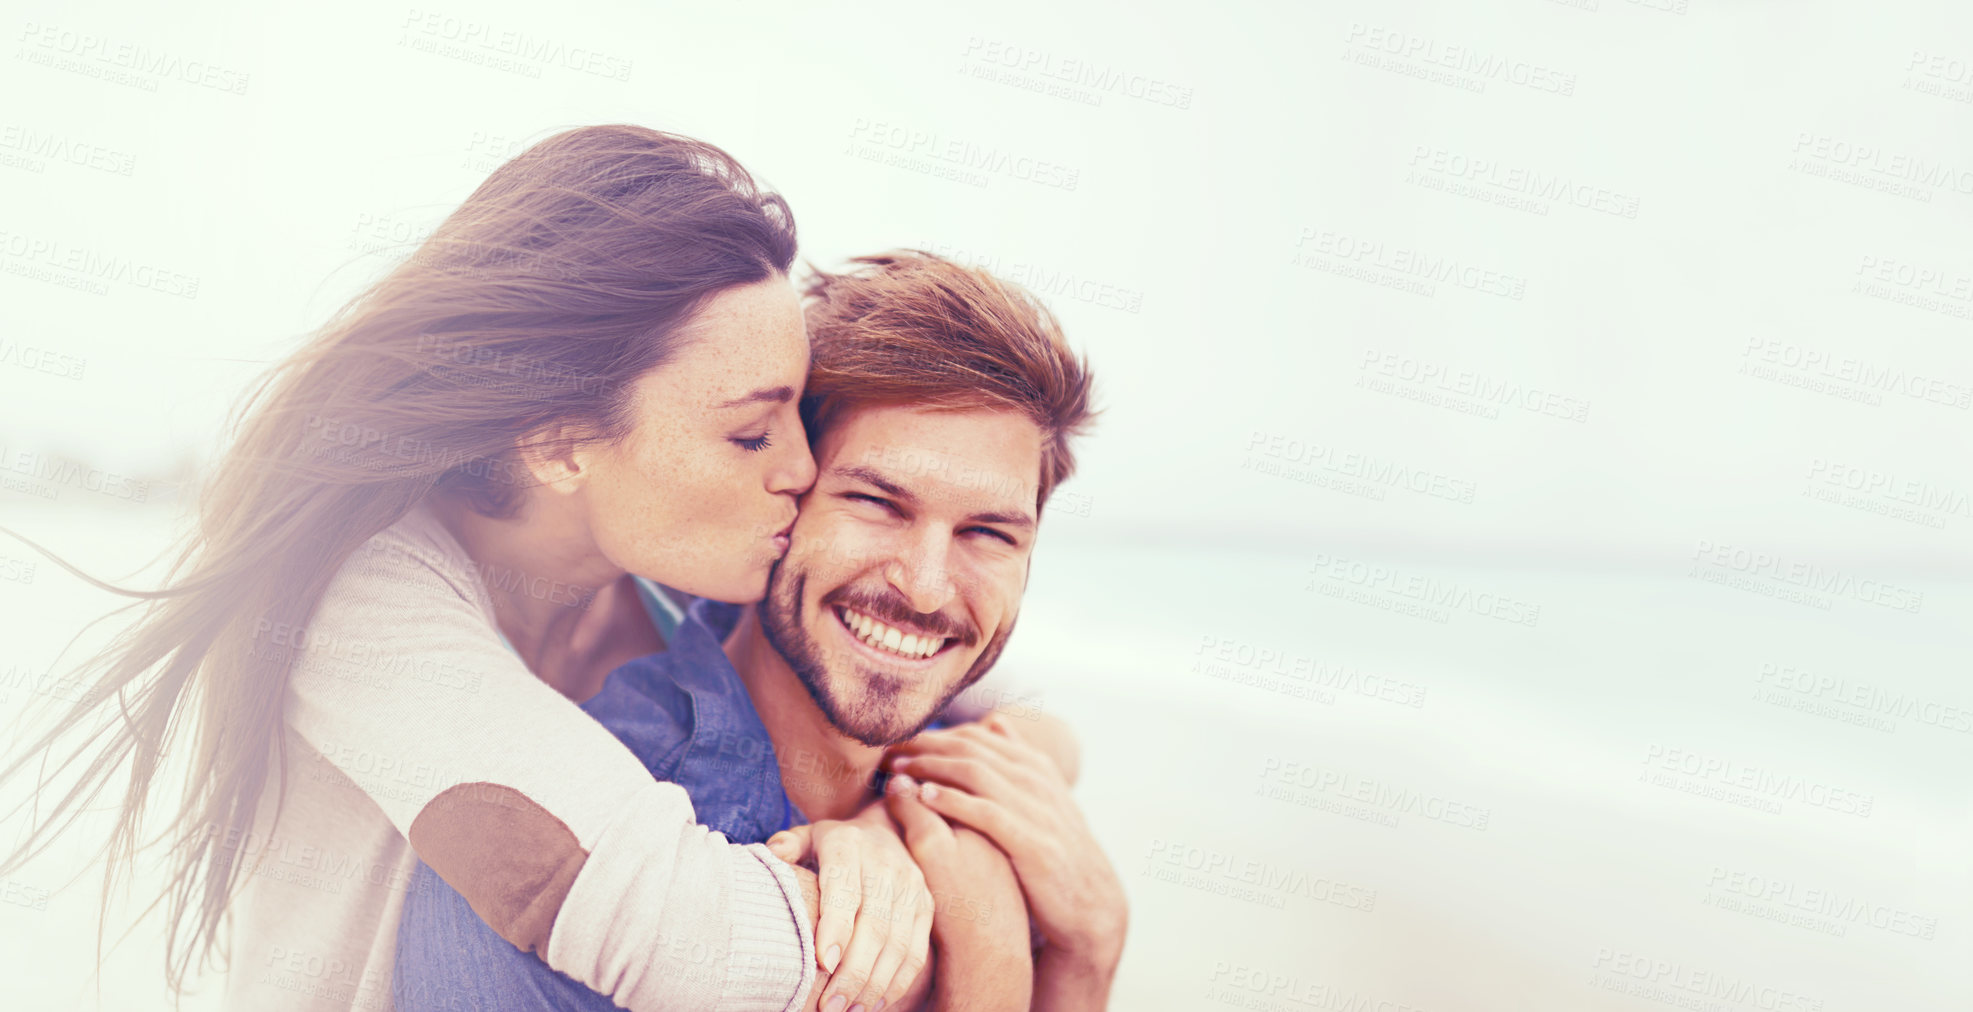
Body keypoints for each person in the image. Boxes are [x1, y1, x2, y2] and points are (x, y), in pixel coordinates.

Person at [0, 126, 928, 1012]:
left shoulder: (675, 584)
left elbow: (991, 732)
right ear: (562, 442)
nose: (801, 470)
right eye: (748, 432)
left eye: (800, 418)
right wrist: (930, 913)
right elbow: (681, 943)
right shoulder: (362, 605)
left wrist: (881, 838)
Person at [394, 252, 1129, 1011]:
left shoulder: (966, 776)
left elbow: (1038, 731)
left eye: (988, 533)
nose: (927, 586)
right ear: (783, 502)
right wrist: (1011, 968)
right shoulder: (593, 861)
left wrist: (1087, 945)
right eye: (878, 502)